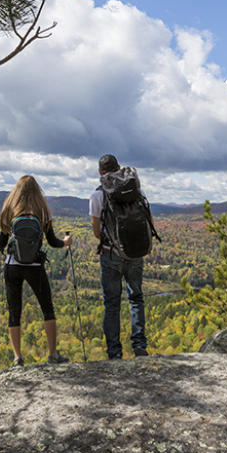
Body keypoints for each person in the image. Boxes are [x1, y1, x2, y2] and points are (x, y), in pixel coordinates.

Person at [0, 175, 72, 367]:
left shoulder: (9, 211)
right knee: (47, 308)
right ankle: (53, 355)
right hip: (35, 267)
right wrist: (65, 243)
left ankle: (17, 358)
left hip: (12, 266)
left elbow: (0, 245)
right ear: (37, 191)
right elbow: (53, 242)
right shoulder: (42, 211)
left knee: (14, 311)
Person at [89, 154, 151, 359]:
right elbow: (149, 221)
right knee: (136, 298)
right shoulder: (136, 190)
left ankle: (115, 352)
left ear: (100, 173)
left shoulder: (97, 196)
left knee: (112, 304)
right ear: (119, 168)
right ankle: (140, 346)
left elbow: (97, 232)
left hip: (110, 255)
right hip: (135, 252)